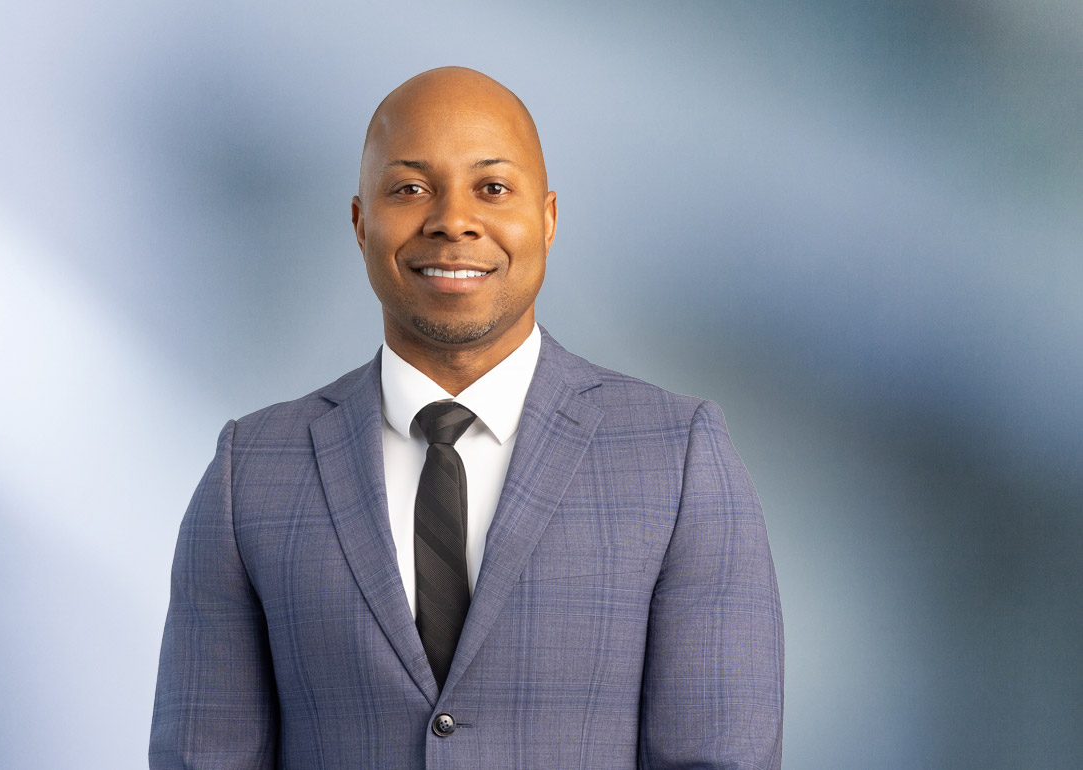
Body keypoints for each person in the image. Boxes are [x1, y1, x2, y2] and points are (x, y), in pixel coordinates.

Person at [150, 66, 783, 769]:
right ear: (361, 223)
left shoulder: (676, 459)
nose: (453, 219)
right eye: (410, 189)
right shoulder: (253, 470)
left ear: (546, 219)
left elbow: (720, 758)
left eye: (492, 188)